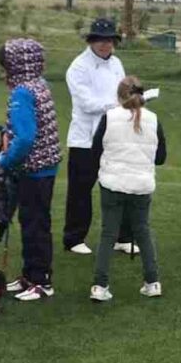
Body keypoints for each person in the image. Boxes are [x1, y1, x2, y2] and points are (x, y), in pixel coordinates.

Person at [89, 76, 167, 302]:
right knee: (142, 231)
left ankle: (100, 286)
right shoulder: (154, 120)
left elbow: (95, 150)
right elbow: (160, 158)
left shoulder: (109, 117)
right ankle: (152, 282)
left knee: (108, 233)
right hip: (141, 185)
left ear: (119, 96)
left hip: (112, 183)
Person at [63, 18, 137, 256]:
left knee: (120, 186)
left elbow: (123, 92)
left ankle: (121, 237)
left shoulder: (116, 63)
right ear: (91, 41)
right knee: (80, 191)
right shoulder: (78, 67)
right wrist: (118, 104)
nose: (105, 45)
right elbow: (87, 104)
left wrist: (131, 101)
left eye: (109, 40)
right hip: (85, 139)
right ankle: (74, 238)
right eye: (100, 40)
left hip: (114, 135)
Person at [0, 38, 62, 302]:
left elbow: (25, 138)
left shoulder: (22, 92)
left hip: (35, 170)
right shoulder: (39, 83)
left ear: (16, 65)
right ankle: (29, 275)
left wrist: (5, 161)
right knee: (32, 222)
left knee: (35, 225)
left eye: (5, 66)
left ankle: (41, 281)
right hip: (45, 167)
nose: (3, 72)